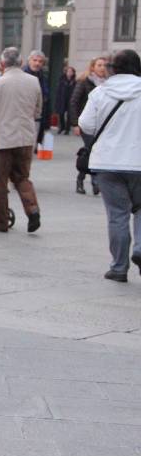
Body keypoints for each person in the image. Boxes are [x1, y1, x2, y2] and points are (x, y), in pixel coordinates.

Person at [78, 50, 141, 282]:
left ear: (113, 68)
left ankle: (118, 267)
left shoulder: (100, 92)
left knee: (118, 215)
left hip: (107, 162)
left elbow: (86, 124)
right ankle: (140, 249)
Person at [0, 47, 43, 234]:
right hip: (25, 138)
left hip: (3, 139)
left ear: (2, 64)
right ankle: (33, 209)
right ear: (21, 62)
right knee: (22, 177)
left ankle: (1, 221)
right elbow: (38, 110)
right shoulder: (33, 81)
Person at [70, 56, 109, 195]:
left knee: (91, 151)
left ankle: (82, 178)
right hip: (86, 123)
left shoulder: (109, 84)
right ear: (93, 67)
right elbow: (74, 102)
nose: (102, 67)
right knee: (91, 150)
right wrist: (75, 123)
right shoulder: (84, 81)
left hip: (102, 124)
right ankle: (93, 180)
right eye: (99, 65)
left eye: (104, 65)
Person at [25, 50, 51, 147]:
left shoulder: (43, 76)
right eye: (35, 60)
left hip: (39, 113)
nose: (37, 63)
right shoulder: (24, 74)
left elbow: (46, 96)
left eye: (40, 61)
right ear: (29, 61)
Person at [54, 65, 77, 134]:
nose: (69, 73)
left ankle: (67, 129)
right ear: (66, 72)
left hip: (70, 100)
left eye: (71, 72)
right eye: (68, 71)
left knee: (69, 115)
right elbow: (58, 91)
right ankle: (62, 127)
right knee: (61, 114)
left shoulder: (75, 81)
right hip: (62, 99)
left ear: (73, 73)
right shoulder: (62, 80)